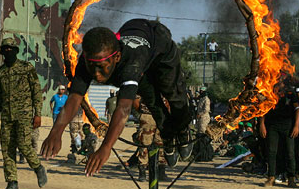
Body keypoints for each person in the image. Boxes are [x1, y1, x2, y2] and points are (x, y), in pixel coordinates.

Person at [41, 19, 194, 176]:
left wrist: (106, 147)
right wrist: (56, 132)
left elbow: (123, 108)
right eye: (91, 68)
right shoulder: (87, 60)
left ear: (117, 57)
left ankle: (182, 129)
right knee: (153, 102)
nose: (96, 74)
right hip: (141, 56)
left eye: (102, 68)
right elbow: (74, 97)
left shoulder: (130, 64)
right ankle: (168, 136)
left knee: (174, 94)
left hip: (161, 51)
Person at [0, 36, 47, 189]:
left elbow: (36, 91)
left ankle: (38, 168)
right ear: (2, 52)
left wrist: (38, 114)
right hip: (7, 117)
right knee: (7, 149)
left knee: (24, 145)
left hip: (24, 114)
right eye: (5, 49)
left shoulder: (26, 68)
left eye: (11, 48)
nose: (8, 51)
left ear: (16, 51)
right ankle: (12, 184)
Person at [259, 74, 299, 188]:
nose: (279, 79)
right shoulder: (269, 91)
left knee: (290, 152)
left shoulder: (290, 92)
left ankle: (291, 178)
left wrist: (296, 125)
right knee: (271, 152)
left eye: (281, 77)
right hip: (272, 126)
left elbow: (297, 109)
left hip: (288, 126)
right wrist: (262, 124)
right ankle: (271, 177)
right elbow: (263, 109)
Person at [133, 96, 171, 182]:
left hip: (162, 116)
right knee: (145, 144)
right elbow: (136, 101)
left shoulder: (165, 85)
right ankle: (142, 172)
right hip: (148, 116)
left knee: (161, 143)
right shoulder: (146, 84)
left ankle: (161, 171)